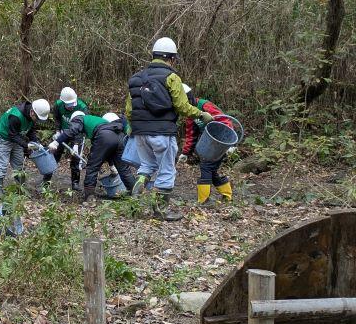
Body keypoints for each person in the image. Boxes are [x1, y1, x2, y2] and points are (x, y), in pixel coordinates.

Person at [125, 37, 213, 221]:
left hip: (140, 133)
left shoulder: (135, 79)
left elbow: (129, 110)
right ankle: (161, 211)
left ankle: (139, 184)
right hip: (162, 133)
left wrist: (132, 127)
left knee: (147, 165)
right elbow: (182, 106)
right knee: (167, 170)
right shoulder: (171, 77)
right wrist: (200, 114)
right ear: (171, 58)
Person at [50, 112, 133, 202]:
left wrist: (56, 142)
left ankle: (89, 197)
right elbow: (108, 149)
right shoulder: (96, 120)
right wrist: (112, 165)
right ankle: (134, 193)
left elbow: (72, 130)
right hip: (119, 137)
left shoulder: (79, 119)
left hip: (104, 135)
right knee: (124, 169)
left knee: (92, 167)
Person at [180, 85, 234, 205]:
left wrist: (229, 143)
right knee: (212, 170)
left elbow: (225, 120)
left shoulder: (204, 105)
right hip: (209, 143)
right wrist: (185, 152)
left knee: (206, 167)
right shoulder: (190, 113)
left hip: (221, 141)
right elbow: (191, 134)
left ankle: (203, 201)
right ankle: (227, 196)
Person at [0, 99, 51, 196]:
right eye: (37, 117)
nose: (37, 120)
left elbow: (31, 131)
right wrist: (26, 145)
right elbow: (12, 135)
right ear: (32, 112)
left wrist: (36, 142)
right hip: (2, 137)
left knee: (19, 164)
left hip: (17, 137)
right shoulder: (16, 116)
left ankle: (21, 188)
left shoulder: (32, 116)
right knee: (1, 164)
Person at [52, 87, 89, 190]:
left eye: (72, 104)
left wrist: (77, 142)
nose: (71, 107)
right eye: (68, 105)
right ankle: (47, 179)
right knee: (55, 154)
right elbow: (57, 118)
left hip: (77, 134)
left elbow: (85, 125)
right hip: (63, 133)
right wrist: (58, 130)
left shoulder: (82, 107)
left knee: (76, 158)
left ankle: (75, 183)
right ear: (63, 102)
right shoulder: (58, 105)